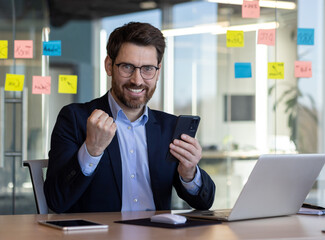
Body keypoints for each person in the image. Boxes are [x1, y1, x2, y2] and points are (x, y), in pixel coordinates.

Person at [44, 22, 216, 213]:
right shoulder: (76, 119)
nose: (137, 79)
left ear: (158, 71)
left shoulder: (169, 127)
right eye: (127, 67)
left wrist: (189, 173)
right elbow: (55, 200)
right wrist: (91, 151)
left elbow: (205, 202)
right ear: (109, 66)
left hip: (159, 234)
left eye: (148, 69)